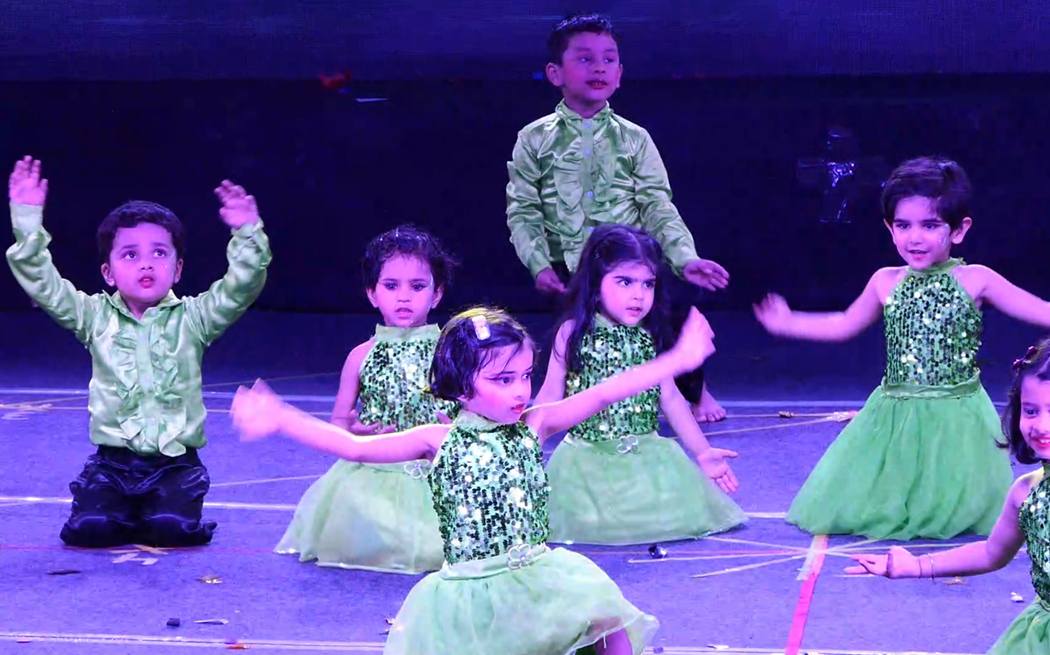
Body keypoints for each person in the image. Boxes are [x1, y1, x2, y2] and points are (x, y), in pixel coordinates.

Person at [231, 306, 719, 654]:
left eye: (524, 375)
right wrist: (281, 417)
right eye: (502, 380)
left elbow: (606, 392)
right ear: (461, 386)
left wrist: (677, 359)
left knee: (609, 622)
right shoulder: (436, 440)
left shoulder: (534, 423)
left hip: (539, 575)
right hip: (469, 590)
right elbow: (353, 447)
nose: (520, 390)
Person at [754, 156, 1050, 540]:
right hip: (895, 410)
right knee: (891, 501)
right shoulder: (885, 281)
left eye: (930, 225)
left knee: (950, 499)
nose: (915, 238)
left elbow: (1044, 311)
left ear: (959, 229)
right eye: (903, 226)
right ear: (889, 228)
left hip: (958, 413)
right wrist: (790, 322)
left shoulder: (976, 279)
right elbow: (845, 323)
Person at [848, 333, 1050, 654]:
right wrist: (916, 566)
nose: (1041, 425)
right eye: (1031, 410)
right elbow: (991, 553)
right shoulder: (1025, 491)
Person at [5, 156, 271, 547]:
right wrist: (27, 218)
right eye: (130, 255)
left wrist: (247, 232)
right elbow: (43, 283)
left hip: (174, 465)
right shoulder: (93, 316)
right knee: (90, 530)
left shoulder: (195, 318)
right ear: (108, 272)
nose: (146, 264)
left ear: (177, 269)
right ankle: (115, 505)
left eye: (159, 253)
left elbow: (241, 286)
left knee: (171, 529)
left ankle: (164, 506)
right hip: (112, 465)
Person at [506, 12, 730, 422]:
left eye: (609, 59)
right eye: (585, 59)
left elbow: (658, 205)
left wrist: (685, 258)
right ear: (555, 73)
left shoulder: (634, 138)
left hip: (633, 261)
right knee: (574, 337)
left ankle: (696, 393)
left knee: (669, 319)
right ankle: (565, 401)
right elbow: (523, 209)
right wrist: (538, 264)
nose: (599, 68)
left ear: (620, 73)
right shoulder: (534, 138)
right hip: (572, 265)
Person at [536, 224, 744, 545]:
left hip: (646, 458)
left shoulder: (647, 337)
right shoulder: (572, 333)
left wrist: (702, 452)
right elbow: (549, 396)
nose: (639, 294)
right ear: (595, 282)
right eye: (625, 282)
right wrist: (523, 448)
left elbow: (671, 399)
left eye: (648, 284)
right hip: (585, 467)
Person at [275, 226, 459, 573]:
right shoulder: (361, 355)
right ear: (372, 294)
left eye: (417, 286)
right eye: (391, 286)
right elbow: (339, 422)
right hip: (374, 471)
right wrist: (353, 430)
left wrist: (459, 427)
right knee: (368, 531)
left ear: (437, 294)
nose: (404, 297)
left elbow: (479, 408)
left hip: (439, 472)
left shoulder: (453, 353)